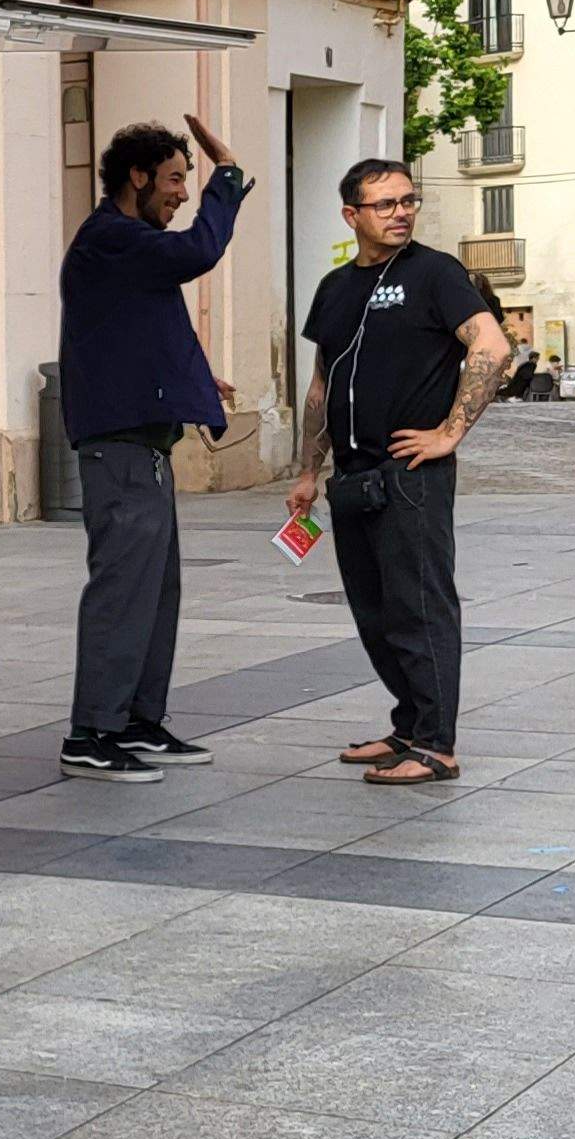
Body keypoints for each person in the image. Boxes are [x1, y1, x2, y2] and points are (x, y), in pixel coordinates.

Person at [289, 159, 510, 787]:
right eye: (384, 205)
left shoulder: (435, 273)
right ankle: (409, 726)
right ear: (351, 215)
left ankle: (437, 744)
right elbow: (321, 386)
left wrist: (449, 433)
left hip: (410, 473)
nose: (401, 213)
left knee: (419, 607)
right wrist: (309, 470)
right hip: (351, 476)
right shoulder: (334, 288)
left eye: (408, 201)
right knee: (375, 610)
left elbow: (492, 347)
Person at [52, 116, 245, 785]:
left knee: (155, 592)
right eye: (173, 179)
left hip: (141, 447)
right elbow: (196, 253)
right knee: (122, 591)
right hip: (119, 451)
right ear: (136, 177)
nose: (183, 194)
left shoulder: (125, 248)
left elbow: (137, 332)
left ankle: (135, 721)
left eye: (189, 181)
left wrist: (194, 380)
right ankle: (90, 734)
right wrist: (227, 177)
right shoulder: (112, 237)